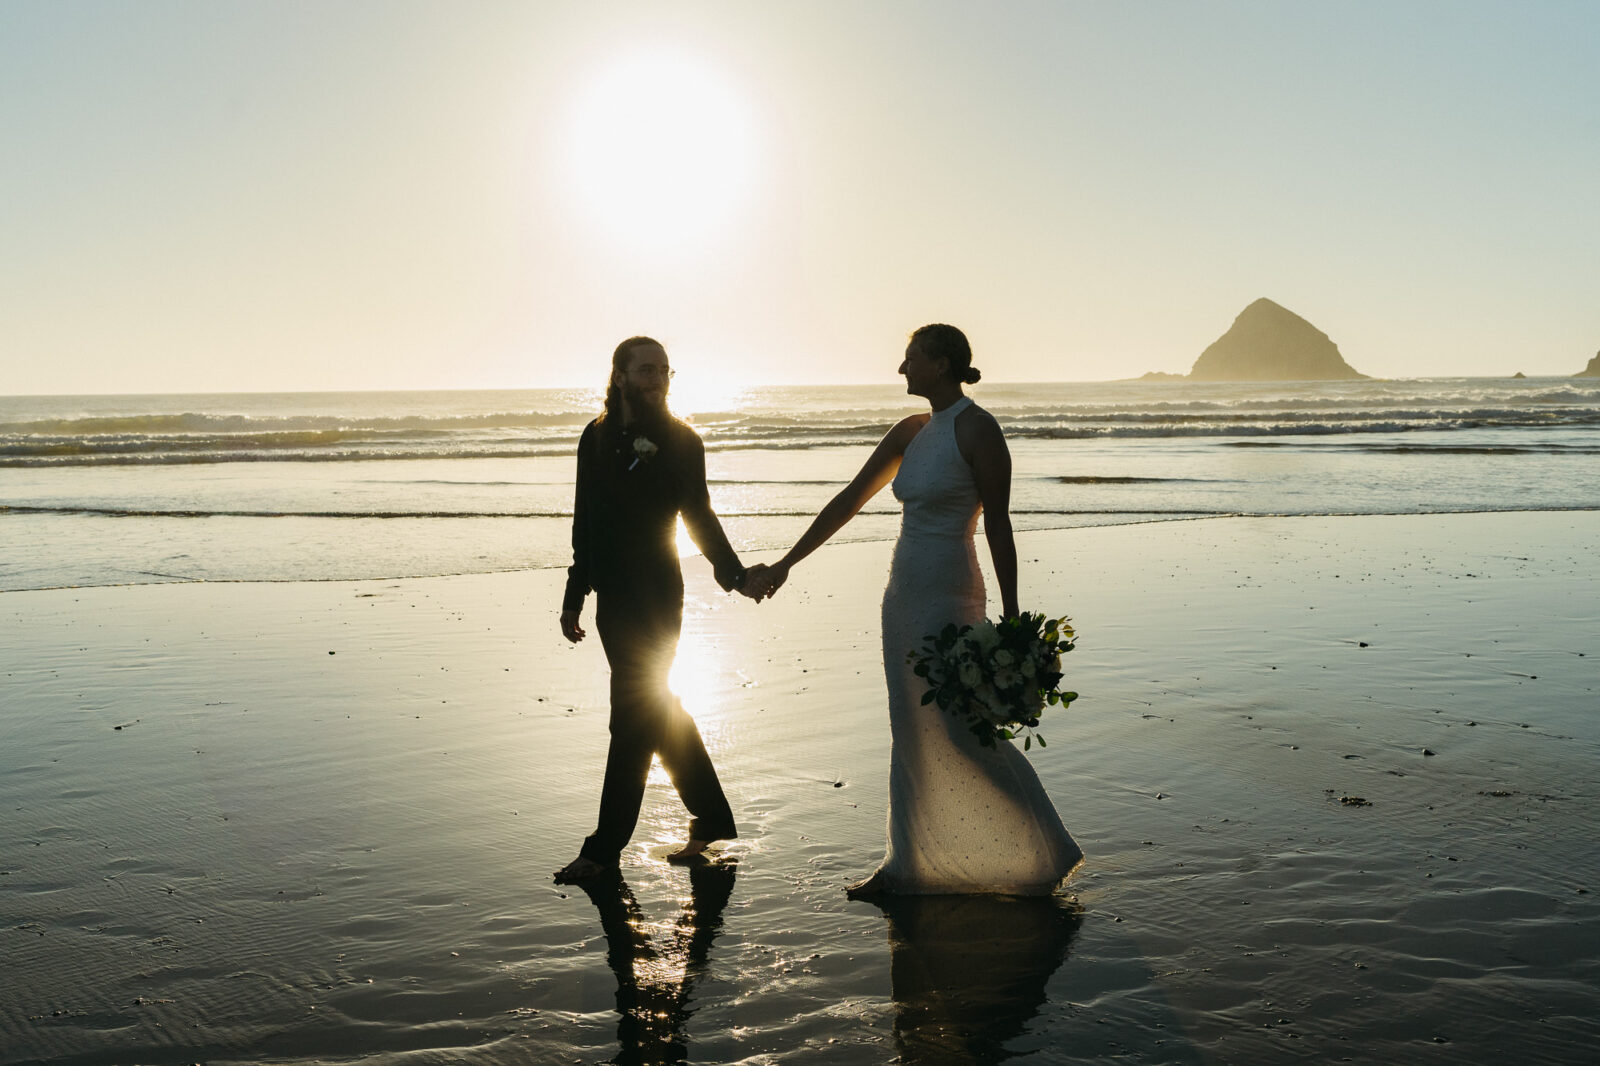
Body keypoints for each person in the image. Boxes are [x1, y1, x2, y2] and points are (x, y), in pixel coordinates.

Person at [746, 324, 1082, 895]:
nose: (902, 369)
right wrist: (785, 563)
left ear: (942, 364)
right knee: (910, 725)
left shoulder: (978, 429)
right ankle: (906, 863)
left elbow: (998, 523)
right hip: (902, 594)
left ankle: (1044, 849)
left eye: (911, 359)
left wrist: (1015, 614)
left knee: (959, 726)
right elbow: (848, 501)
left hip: (952, 591)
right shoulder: (910, 431)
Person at [555, 336, 765, 884]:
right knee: (655, 709)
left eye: (665, 371)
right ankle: (714, 818)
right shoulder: (594, 437)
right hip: (611, 597)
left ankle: (602, 851)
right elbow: (585, 519)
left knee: (630, 719)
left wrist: (734, 575)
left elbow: (699, 514)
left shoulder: (681, 441)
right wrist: (575, 590)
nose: (658, 379)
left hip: (655, 595)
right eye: (646, 370)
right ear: (619, 376)